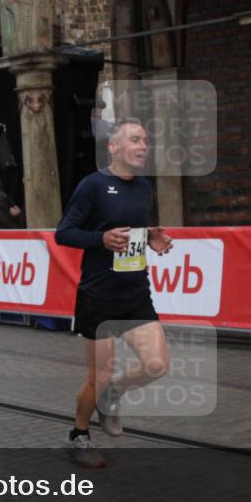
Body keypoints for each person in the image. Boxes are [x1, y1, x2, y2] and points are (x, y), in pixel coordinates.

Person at [54, 119, 174, 468]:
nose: (143, 147)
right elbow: (65, 233)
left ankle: (113, 396)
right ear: (113, 147)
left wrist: (150, 234)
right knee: (99, 375)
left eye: (146, 141)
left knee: (156, 365)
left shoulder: (142, 188)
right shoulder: (92, 185)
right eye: (135, 140)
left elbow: (132, 230)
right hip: (99, 296)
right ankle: (78, 434)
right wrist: (100, 239)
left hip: (135, 291)